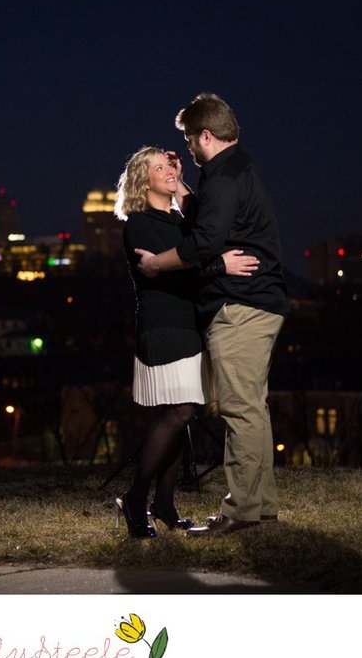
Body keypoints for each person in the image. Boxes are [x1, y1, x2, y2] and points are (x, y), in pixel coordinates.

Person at [136, 93, 290, 537]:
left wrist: (156, 263)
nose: (186, 149)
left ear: (206, 135)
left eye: (188, 140)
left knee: (240, 410)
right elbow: (215, 226)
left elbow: (203, 243)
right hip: (259, 303)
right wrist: (185, 190)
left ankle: (240, 511)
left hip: (241, 305)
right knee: (252, 409)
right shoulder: (235, 170)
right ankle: (260, 507)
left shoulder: (224, 179)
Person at [115, 145, 259, 538]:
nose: (167, 170)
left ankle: (163, 503)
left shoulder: (177, 219)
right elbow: (175, 271)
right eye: (158, 168)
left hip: (188, 325)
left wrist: (181, 185)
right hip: (163, 326)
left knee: (185, 416)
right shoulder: (139, 223)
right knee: (178, 413)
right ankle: (135, 497)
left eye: (169, 165)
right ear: (143, 181)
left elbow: (203, 235)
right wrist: (220, 265)